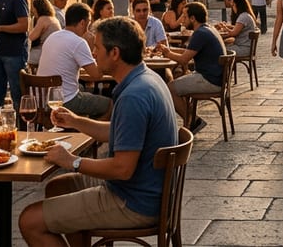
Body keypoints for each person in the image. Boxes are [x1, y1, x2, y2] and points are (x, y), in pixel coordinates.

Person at [19, 17, 177, 246]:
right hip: (148, 191)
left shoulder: (133, 96)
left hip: (133, 201)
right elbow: (120, 131)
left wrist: (72, 161)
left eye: (97, 47)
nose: (93, 53)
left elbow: (122, 169)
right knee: (57, 187)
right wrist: (76, 121)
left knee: (29, 220)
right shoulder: (147, 79)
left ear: (114, 53)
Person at [38, 3, 112, 119]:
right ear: (82, 23)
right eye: (88, 24)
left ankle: (78, 125)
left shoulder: (52, 37)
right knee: (109, 104)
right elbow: (96, 74)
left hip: (42, 99)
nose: (87, 30)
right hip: (65, 101)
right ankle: (91, 133)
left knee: (83, 89)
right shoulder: (78, 42)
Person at [160, 2, 225, 132]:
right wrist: (168, 50)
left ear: (193, 18)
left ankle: (192, 121)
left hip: (210, 79)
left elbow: (184, 59)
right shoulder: (207, 29)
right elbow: (188, 52)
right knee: (178, 81)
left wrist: (168, 53)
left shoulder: (200, 33)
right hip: (215, 77)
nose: (182, 19)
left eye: (185, 16)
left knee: (170, 88)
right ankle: (190, 121)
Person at [27, 0, 60, 69]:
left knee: (19, 57)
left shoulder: (42, 19)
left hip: (43, 53)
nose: (32, 10)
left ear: (37, 8)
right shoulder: (53, 19)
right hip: (54, 52)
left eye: (33, 7)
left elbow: (31, 37)